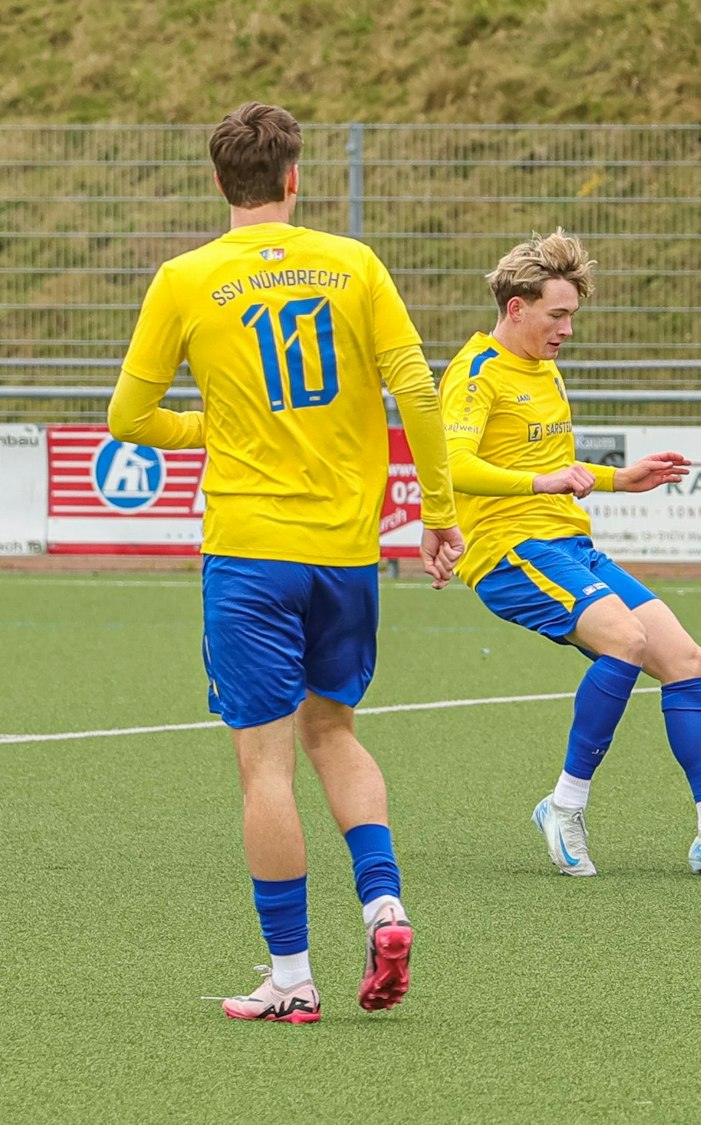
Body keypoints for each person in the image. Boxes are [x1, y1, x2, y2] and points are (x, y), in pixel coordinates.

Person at [108, 102, 462, 1023]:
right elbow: (417, 388)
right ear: (296, 179)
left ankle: (292, 977)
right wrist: (440, 511)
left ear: (221, 183)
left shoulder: (185, 278)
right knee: (333, 731)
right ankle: (384, 901)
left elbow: (129, 422)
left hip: (249, 551)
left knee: (264, 764)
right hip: (344, 552)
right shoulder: (353, 263)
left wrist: (217, 428)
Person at [439, 231, 701, 878]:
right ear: (517, 308)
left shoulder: (545, 368)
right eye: (557, 314)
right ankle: (564, 805)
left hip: (568, 544)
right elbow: (453, 464)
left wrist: (617, 478)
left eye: (572, 314)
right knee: (626, 640)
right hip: (509, 549)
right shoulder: (475, 373)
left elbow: (550, 464)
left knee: (687, 660)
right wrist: (541, 484)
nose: (567, 329)